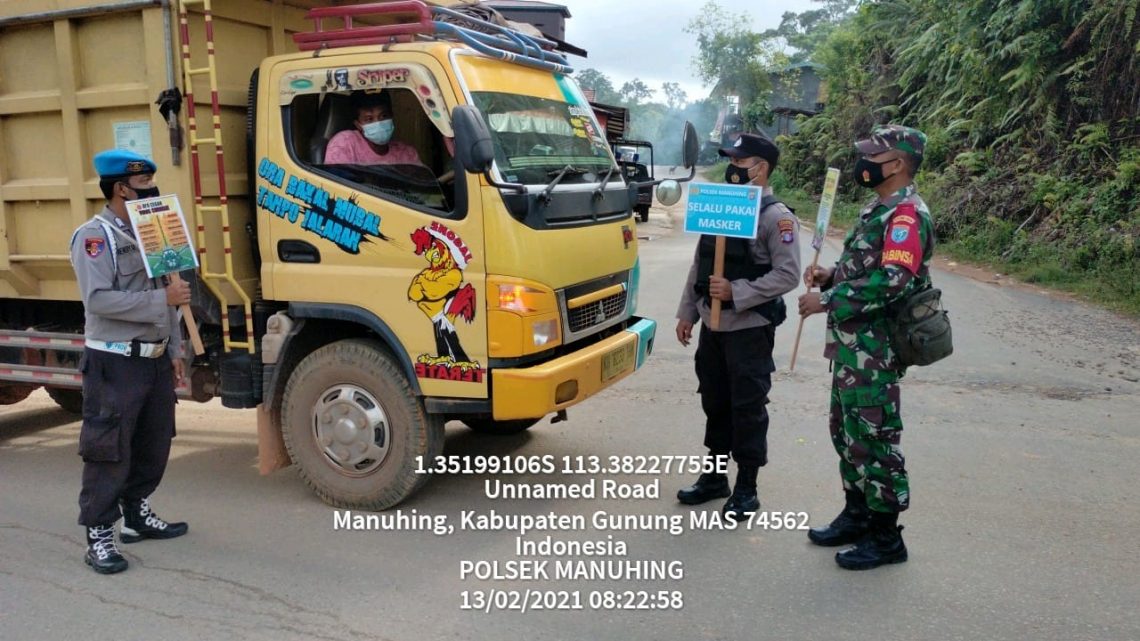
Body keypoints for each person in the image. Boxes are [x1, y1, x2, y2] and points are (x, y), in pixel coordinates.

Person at [797, 125, 935, 570]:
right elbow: (866, 265)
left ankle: (886, 536)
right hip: (853, 348)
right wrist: (832, 275)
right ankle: (857, 514)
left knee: (874, 438)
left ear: (896, 163)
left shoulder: (906, 216)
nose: (865, 162)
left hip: (875, 350)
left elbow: (894, 280)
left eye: (874, 155)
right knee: (847, 432)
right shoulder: (880, 208)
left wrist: (828, 300)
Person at [69, 149, 191, 574]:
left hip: (154, 360)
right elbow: (98, 299)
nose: (152, 190)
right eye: (143, 184)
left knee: (154, 443)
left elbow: (172, 294)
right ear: (121, 188)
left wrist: (174, 350)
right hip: (115, 362)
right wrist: (163, 299)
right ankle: (99, 534)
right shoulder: (94, 236)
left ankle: (137, 515)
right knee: (109, 450)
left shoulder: (154, 232)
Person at [675, 133, 802, 520]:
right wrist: (687, 313)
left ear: (760, 168)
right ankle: (715, 479)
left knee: (747, 407)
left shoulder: (776, 218)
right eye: (731, 159)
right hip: (713, 330)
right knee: (715, 401)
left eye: (740, 161)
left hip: (748, 329)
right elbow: (701, 263)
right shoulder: (719, 206)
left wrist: (738, 291)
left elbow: (789, 274)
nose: (732, 168)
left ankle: (747, 487)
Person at [324, 90, 424, 166]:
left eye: (383, 116)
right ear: (358, 124)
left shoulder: (406, 153)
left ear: (392, 116)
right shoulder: (345, 144)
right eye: (369, 119)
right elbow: (339, 187)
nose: (379, 123)